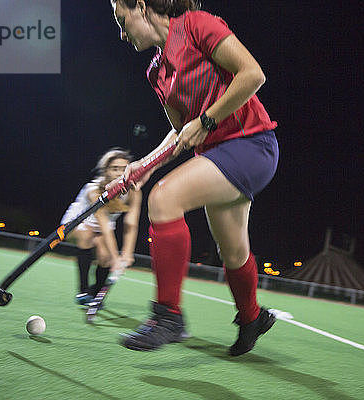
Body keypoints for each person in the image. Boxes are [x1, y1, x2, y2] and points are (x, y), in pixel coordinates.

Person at [109, 0, 279, 356]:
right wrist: (143, 165)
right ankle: (252, 318)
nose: (121, 34)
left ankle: (168, 317)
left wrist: (207, 121)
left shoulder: (197, 26)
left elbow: (252, 75)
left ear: (141, 6)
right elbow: (179, 134)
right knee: (233, 251)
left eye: (122, 21)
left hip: (252, 145)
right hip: (217, 156)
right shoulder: (156, 74)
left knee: (164, 198)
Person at [61, 148, 142, 306]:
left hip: (100, 229)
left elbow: (131, 223)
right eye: (114, 169)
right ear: (105, 171)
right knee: (86, 236)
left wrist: (126, 253)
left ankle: (95, 293)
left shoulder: (134, 192)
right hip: (76, 223)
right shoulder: (94, 190)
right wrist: (116, 259)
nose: (119, 173)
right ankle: (83, 290)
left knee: (105, 257)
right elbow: (104, 225)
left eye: (123, 169)